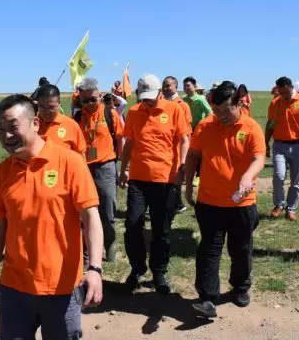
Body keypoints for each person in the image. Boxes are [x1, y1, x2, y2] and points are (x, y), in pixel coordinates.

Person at [0, 94, 103, 340]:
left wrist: (95, 269)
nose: (6, 135)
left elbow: (91, 217)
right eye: (0, 129)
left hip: (61, 289)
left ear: (35, 123)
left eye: (13, 126)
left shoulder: (69, 162)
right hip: (14, 289)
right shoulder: (2, 172)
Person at [184, 82, 266, 318]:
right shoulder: (205, 125)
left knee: (241, 249)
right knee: (209, 249)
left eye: (225, 111)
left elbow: (259, 158)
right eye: (216, 110)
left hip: (242, 203)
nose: (220, 116)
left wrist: (248, 176)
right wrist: (189, 186)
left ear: (239, 104)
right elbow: (193, 156)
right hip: (209, 202)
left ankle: (240, 288)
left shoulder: (251, 127)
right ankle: (207, 298)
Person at [119, 74, 191, 294]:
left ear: (160, 92)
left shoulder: (175, 109)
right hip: (139, 179)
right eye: (144, 98)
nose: (148, 102)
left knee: (161, 229)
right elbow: (129, 142)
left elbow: (184, 138)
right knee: (132, 225)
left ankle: (159, 272)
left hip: (165, 180)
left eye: (151, 98)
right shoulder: (134, 112)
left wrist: (183, 165)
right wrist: (123, 170)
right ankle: (137, 268)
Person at [75, 77, 124, 262]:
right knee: (85, 211)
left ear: (100, 95)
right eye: (84, 100)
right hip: (83, 169)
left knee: (108, 210)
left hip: (106, 167)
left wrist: (123, 167)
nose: (89, 103)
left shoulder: (110, 114)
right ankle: (87, 252)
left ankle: (109, 243)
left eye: (92, 99)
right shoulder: (78, 118)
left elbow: (120, 139)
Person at [265, 77, 299, 221]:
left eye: (286, 92)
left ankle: (291, 209)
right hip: (279, 145)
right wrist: (265, 143)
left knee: (296, 180)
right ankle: (279, 205)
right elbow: (271, 124)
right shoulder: (275, 103)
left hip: (298, 145)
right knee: (279, 176)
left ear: (291, 87)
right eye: (281, 93)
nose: (284, 96)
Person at [162, 76, 193, 213]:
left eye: (168, 85)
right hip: (165, 145)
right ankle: (173, 202)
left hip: (179, 145)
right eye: (164, 85)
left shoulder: (182, 105)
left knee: (177, 173)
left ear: (176, 86)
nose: (166, 88)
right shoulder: (161, 103)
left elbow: (187, 130)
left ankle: (177, 202)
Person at [35, 84, 87, 155]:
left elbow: (81, 155)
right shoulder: (31, 126)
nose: (47, 111)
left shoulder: (71, 125)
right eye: (42, 107)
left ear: (59, 104)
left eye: (51, 107)